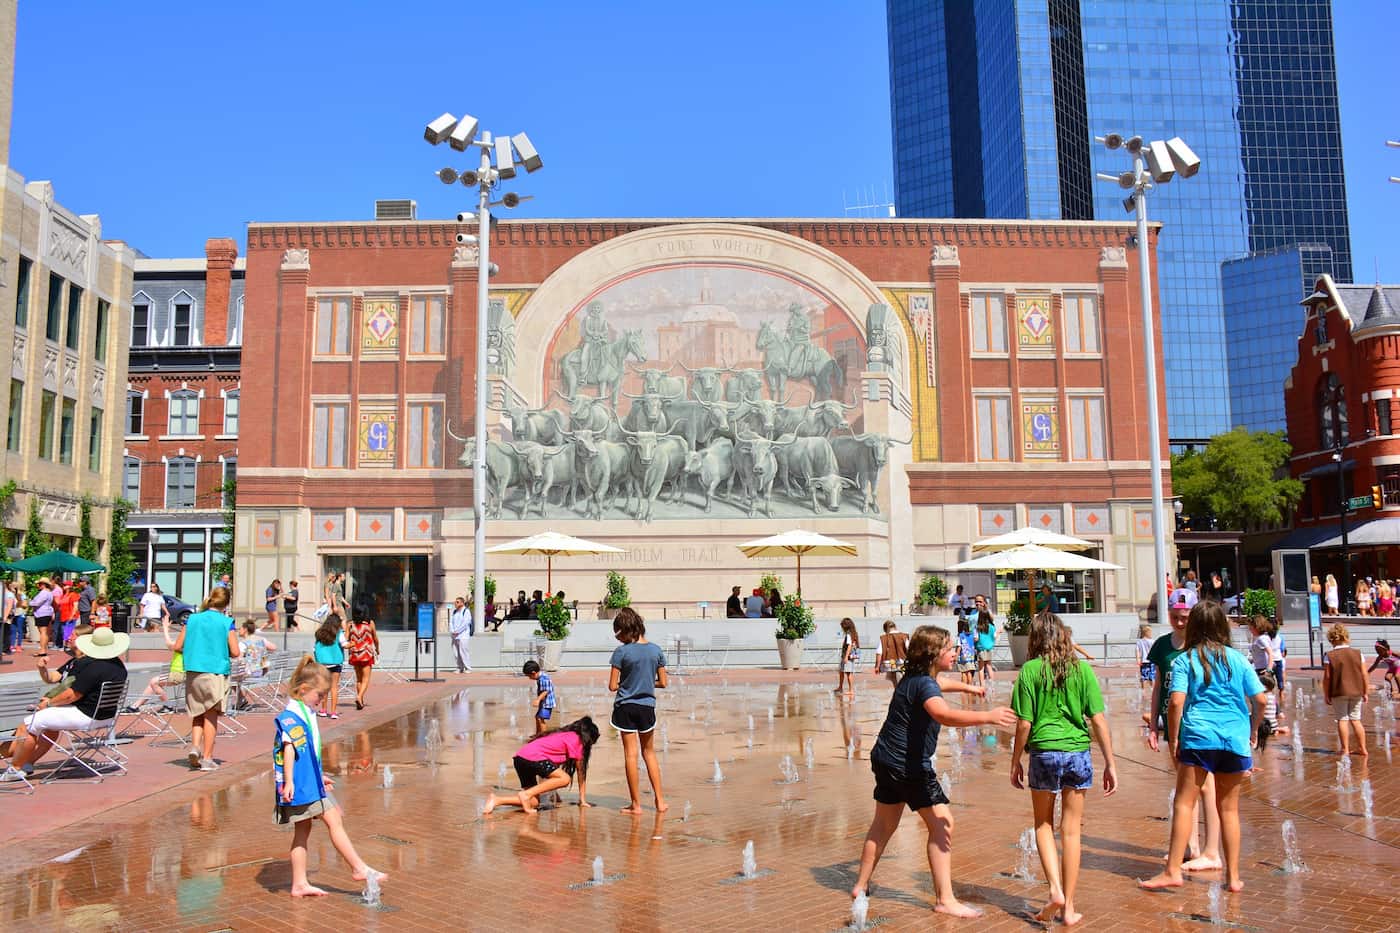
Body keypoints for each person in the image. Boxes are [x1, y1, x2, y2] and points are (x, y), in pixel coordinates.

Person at [850, 624, 1014, 918]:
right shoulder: (925, 685)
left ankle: (860, 885)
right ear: (933, 653)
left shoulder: (912, 678)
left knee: (883, 825)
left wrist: (968, 686)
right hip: (908, 766)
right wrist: (987, 716)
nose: (956, 652)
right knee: (943, 824)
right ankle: (945, 899)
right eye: (950, 648)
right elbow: (943, 713)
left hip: (885, 758)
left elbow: (939, 686)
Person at [1140, 601, 1266, 894]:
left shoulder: (1186, 660)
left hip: (1198, 737)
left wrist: (1174, 736)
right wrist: (1253, 729)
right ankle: (1233, 877)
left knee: (1184, 802)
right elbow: (1259, 700)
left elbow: (1175, 702)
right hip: (1234, 739)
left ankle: (1172, 871)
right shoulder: (1238, 659)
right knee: (1229, 809)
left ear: (1194, 625)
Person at [1009, 612, 1118, 926]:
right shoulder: (1081, 670)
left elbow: (1024, 723)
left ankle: (1055, 890)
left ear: (1035, 639)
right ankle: (1069, 908)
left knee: (1043, 824)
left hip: (1043, 753)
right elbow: (1097, 719)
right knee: (1071, 831)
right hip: (1077, 753)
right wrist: (1110, 762)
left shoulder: (1029, 671)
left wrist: (1015, 760)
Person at [274, 655, 385, 898]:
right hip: (300, 785)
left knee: (304, 830)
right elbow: (289, 749)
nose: (322, 700)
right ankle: (359, 868)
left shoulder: (305, 709)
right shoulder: (294, 715)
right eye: (320, 695)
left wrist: (318, 774)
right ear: (304, 689)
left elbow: (306, 750)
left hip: (307, 782)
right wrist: (291, 781)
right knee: (332, 818)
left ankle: (300, 883)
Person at [1145, 586, 1221, 873]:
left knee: (1206, 787)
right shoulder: (1162, 646)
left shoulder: (1202, 648)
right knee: (1184, 787)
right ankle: (1192, 846)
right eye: (1176, 616)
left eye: (1185, 616)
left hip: (1198, 724)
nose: (1180, 621)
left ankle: (1211, 850)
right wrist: (1154, 724)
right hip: (1173, 725)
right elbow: (1157, 689)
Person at [1, 626, 130, 782]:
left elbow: (72, 695)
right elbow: (61, 683)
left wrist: (49, 703)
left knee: (28, 725)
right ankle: (27, 763)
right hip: (106, 716)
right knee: (48, 728)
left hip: (85, 715)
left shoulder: (93, 666)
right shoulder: (118, 666)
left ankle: (16, 768)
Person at [609, 607, 669, 814]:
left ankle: (636, 804)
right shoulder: (656, 650)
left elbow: (612, 686)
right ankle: (660, 801)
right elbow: (663, 682)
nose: (618, 639)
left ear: (627, 630)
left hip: (625, 706)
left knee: (630, 755)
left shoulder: (621, 652)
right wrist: (645, 683)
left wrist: (629, 683)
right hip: (647, 707)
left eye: (619, 634)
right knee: (649, 753)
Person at [174, 587, 242, 771]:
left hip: (193, 670)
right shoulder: (226, 622)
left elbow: (178, 645)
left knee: (197, 711)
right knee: (211, 713)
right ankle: (207, 757)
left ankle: (195, 747)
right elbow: (235, 651)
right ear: (226, 603)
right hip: (215, 671)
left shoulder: (192, 619)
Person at [482, 716, 599, 815]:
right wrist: (582, 800)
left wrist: (555, 792)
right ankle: (525, 794)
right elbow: (581, 771)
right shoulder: (577, 740)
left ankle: (496, 800)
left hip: (520, 759)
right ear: (588, 738)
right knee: (565, 779)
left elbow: (550, 771)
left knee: (534, 802)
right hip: (533, 758)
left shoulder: (563, 735)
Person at [1322, 623, 1368, 758]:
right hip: (1357, 691)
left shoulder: (1329, 655)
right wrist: (1365, 691)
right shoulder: (1358, 653)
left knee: (1342, 719)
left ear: (1331, 639)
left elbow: (1327, 677)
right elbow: (1364, 674)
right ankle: (1362, 748)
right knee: (1356, 719)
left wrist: (1326, 694)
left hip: (1339, 692)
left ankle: (1345, 749)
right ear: (1346, 637)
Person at [312, 616, 346, 720]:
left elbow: (314, 648)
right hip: (335, 663)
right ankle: (333, 712)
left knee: (324, 687)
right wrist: (353, 644)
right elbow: (344, 644)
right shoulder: (338, 633)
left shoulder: (319, 633)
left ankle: (323, 710)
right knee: (334, 687)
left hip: (322, 663)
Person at [346, 610, 379, 710]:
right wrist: (377, 649)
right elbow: (375, 638)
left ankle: (361, 701)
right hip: (366, 653)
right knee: (366, 679)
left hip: (355, 654)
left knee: (359, 679)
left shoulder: (350, 624)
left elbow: (346, 639)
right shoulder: (370, 623)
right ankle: (359, 697)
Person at [524, 659, 556, 735]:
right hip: (544, 702)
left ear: (533, 673)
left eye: (529, 676)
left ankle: (544, 737)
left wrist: (538, 700)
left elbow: (546, 691)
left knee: (540, 719)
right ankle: (538, 734)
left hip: (547, 703)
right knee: (537, 717)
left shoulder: (543, 679)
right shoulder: (540, 677)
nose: (529, 678)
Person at [873, 620, 909, 687]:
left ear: (885, 629)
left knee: (894, 679)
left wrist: (877, 666)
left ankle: (897, 691)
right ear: (895, 627)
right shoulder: (904, 636)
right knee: (902, 678)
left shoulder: (884, 638)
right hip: (902, 662)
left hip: (890, 664)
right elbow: (909, 649)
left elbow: (879, 653)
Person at [835, 617, 860, 698]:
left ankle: (851, 690)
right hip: (847, 656)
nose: (842, 628)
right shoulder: (853, 633)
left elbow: (849, 646)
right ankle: (840, 687)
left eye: (842, 626)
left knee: (849, 673)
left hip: (847, 656)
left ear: (846, 626)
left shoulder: (849, 634)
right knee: (841, 672)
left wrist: (846, 657)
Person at [29, 579, 54, 655]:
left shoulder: (44, 593)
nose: (38, 586)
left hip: (42, 613)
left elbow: (37, 603)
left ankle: (42, 650)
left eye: (39, 584)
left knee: (43, 632)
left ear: (43, 584)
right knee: (45, 632)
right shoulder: (49, 593)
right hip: (46, 613)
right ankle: (44, 649)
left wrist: (29, 602)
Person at [449, 596, 473, 674]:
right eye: (455, 602)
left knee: (464, 652)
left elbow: (466, 623)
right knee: (456, 652)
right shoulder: (454, 612)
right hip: (454, 636)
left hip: (463, 635)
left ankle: (468, 667)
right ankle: (459, 667)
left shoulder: (466, 611)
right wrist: (452, 631)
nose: (455, 603)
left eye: (457, 602)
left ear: (462, 603)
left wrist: (458, 631)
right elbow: (451, 622)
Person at [55, 581, 81, 648]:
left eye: (65, 585)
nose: (63, 586)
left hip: (70, 616)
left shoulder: (73, 594)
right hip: (63, 616)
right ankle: (66, 645)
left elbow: (75, 606)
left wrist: (72, 615)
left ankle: (69, 646)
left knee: (68, 632)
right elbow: (59, 604)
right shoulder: (64, 595)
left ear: (69, 586)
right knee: (64, 631)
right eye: (63, 585)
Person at [975, 612, 996, 686]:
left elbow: (976, 638)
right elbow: (994, 636)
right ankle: (992, 686)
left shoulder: (978, 627)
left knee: (981, 668)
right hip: (989, 649)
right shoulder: (992, 627)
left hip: (981, 649)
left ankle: (982, 686)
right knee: (989, 666)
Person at [956, 618, 977, 685]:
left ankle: (964, 688)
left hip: (963, 657)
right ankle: (970, 687)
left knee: (964, 672)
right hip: (971, 657)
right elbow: (975, 640)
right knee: (969, 672)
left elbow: (959, 647)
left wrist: (956, 656)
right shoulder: (971, 635)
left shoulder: (961, 636)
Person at [1136, 624, 1155, 697]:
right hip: (1151, 661)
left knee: (1143, 675)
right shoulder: (1152, 641)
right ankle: (1152, 688)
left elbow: (1137, 651)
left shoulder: (1139, 642)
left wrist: (1138, 660)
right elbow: (1154, 651)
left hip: (1143, 661)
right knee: (1152, 675)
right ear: (1148, 633)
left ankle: (1143, 689)